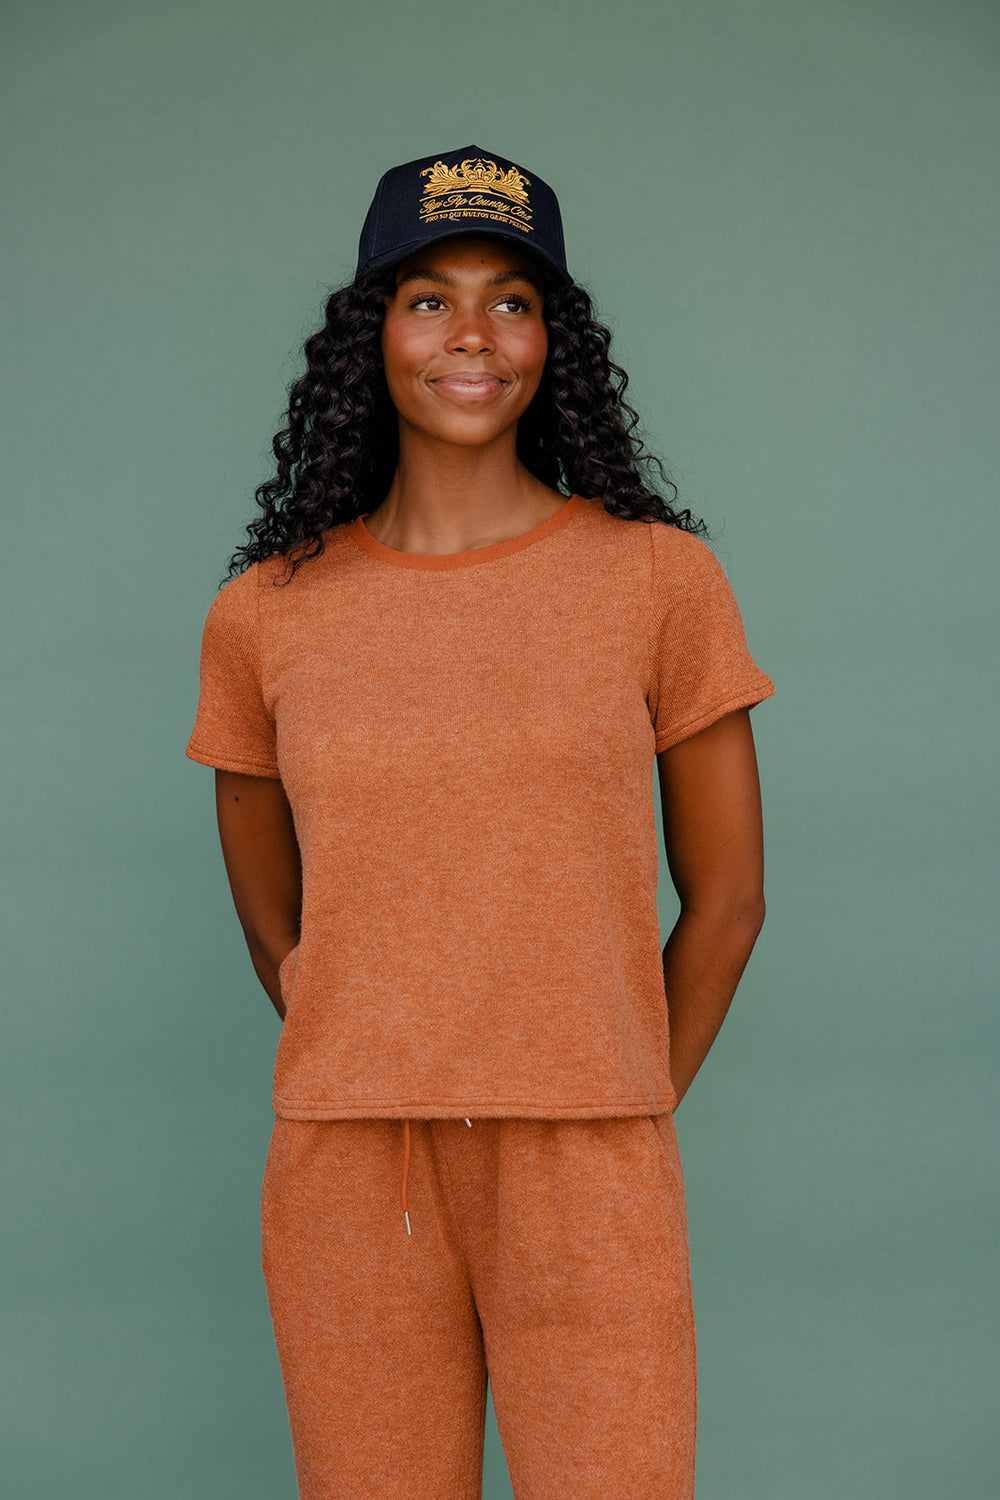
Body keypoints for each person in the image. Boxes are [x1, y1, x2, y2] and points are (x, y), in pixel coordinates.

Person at [185, 143, 776, 1500]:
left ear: (554, 342)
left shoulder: (657, 581)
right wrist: (371, 1036)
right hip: (349, 1160)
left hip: (593, 1147)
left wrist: (617, 1096)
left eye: (513, 301)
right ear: (372, 336)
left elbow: (731, 902)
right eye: (429, 300)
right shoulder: (266, 614)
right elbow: (272, 912)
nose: (473, 335)